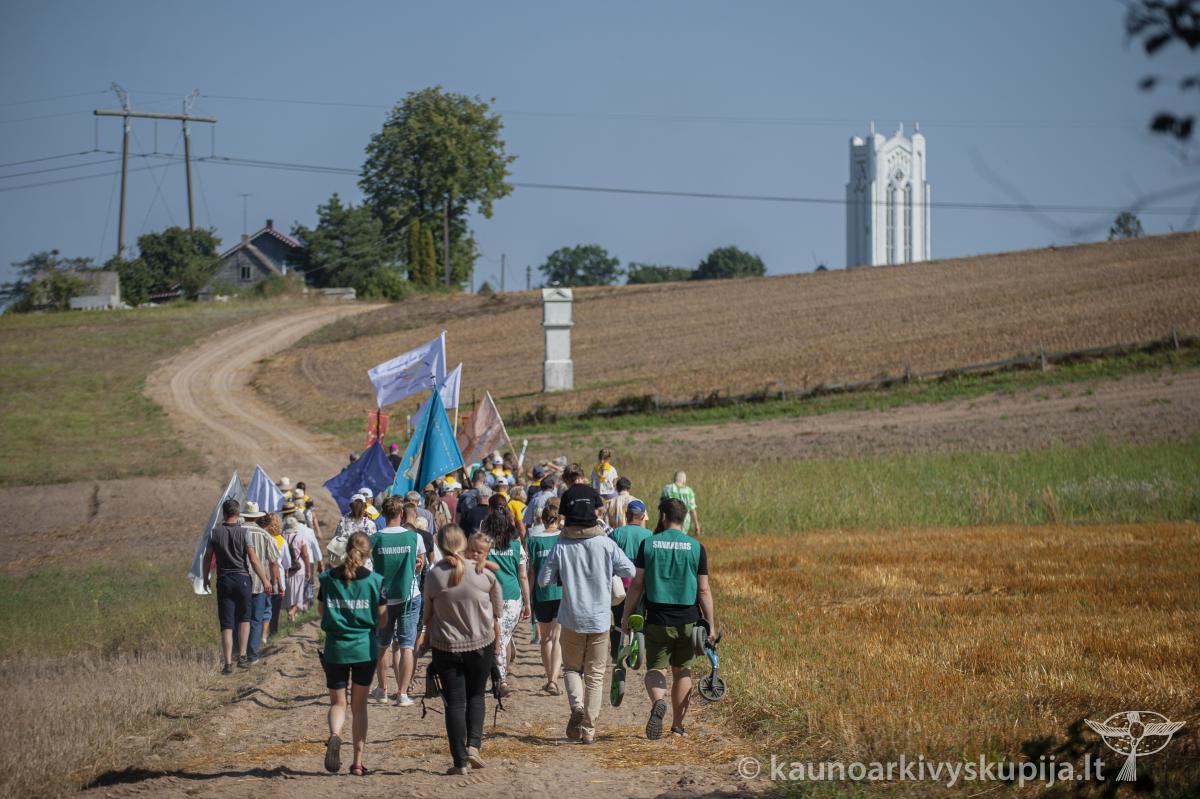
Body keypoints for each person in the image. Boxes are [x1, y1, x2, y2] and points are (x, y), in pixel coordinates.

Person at [537, 493, 634, 744]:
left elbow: (543, 580)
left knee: (571, 669)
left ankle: (577, 707)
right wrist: (605, 571)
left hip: (571, 618)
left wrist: (563, 577)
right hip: (600, 619)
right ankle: (589, 730)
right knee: (596, 675)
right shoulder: (605, 544)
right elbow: (630, 570)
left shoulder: (561, 544)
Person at [621, 498, 718, 740]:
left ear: (663, 516)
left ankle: (658, 702)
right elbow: (704, 591)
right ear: (684, 518)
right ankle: (677, 726)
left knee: (655, 668)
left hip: (656, 618)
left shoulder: (648, 544)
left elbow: (637, 585)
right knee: (682, 671)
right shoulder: (697, 547)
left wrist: (626, 616)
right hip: (688, 619)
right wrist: (711, 625)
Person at [417, 524, 503, 776]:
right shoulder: (483, 573)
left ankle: (460, 761)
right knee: (476, 696)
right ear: (465, 544)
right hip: (480, 645)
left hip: (446, 647)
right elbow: (497, 612)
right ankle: (474, 745)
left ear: (441, 546)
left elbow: (427, 616)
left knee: (454, 703)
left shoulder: (434, 576)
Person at [318, 531, 386, 776]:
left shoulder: (327, 578)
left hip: (335, 648)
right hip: (363, 649)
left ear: (347, 550)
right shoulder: (375, 581)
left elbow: (320, 611)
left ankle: (335, 735)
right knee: (359, 708)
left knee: (338, 703)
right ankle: (357, 762)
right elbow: (383, 617)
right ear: (368, 554)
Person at [204, 498, 272, 674]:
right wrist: (265, 580)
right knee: (244, 619)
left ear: (224, 514)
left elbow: (207, 558)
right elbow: (254, 559)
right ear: (238, 514)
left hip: (224, 580)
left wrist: (205, 578)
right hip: (242, 579)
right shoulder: (244, 533)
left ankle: (227, 663)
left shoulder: (214, 533)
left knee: (226, 624)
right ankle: (242, 656)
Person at [371, 496, 426, 706]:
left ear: (383, 515)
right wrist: (417, 565)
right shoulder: (414, 537)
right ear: (402, 513)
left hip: (383, 598)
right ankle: (402, 693)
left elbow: (368, 567)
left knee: (382, 645)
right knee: (406, 646)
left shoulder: (375, 538)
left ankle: (382, 689)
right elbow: (420, 565)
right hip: (409, 595)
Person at [482, 496, 530, 695]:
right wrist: (527, 602)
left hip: (488, 597)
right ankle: (500, 677)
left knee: (498, 639)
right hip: (511, 597)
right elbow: (523, 576)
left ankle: (501, 679)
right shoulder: (516, 546)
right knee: (503, 638)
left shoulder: (482, 545)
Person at [525, 498, 563, 695]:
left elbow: (531, 572)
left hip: (541, 595)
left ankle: (550, 678)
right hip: (561, 594)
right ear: (558, 518)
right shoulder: (564, 539)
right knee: (557, 638)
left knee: (546, 638)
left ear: (542, 519)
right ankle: (554, 680)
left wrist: (527, 598)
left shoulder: (533, 541)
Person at [608, 499, 652, 657]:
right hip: (641, 585)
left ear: (626, 515)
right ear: (642, 517)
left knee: (618, 618)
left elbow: (609, 559)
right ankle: (636, 649)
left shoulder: (616, 534)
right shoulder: (650, 536)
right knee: (638, 618)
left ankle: (615, 651)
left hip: (620, 585)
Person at [241, 501, 282, 665]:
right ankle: (252, 655)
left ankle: (239, 652)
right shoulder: (265, 536)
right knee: (256, 620)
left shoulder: (237, 531)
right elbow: (273, 563)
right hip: (259, 582)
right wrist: (274, 582)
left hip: (239, 580)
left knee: (241, 618)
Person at [282, 502, 314, 620]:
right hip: (299, 569)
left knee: (289, 594)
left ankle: (291, 614)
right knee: (299, 594)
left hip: (287, 569)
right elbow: (305, 555)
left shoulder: (283, 536)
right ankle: (293, 611)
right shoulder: (300, 537)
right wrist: (308, 571)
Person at [560, 463, 605, 538]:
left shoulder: (566, 494)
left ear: (567, 480)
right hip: (591, 529)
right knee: (604, 536)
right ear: (583, 477)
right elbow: (601, 509)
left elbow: (561, 515)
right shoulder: (592, 491)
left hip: (572, 531)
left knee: (559, 538)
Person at [660, 471, 701, 536]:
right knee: (681, 538)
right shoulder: (689, 491)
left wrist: (661, 520)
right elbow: (692, 510)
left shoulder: (667, 489)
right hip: (685, 520)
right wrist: (696, 524)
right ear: (684, 480)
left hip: (669, 518)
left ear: (674, 479)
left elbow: (662, 507)